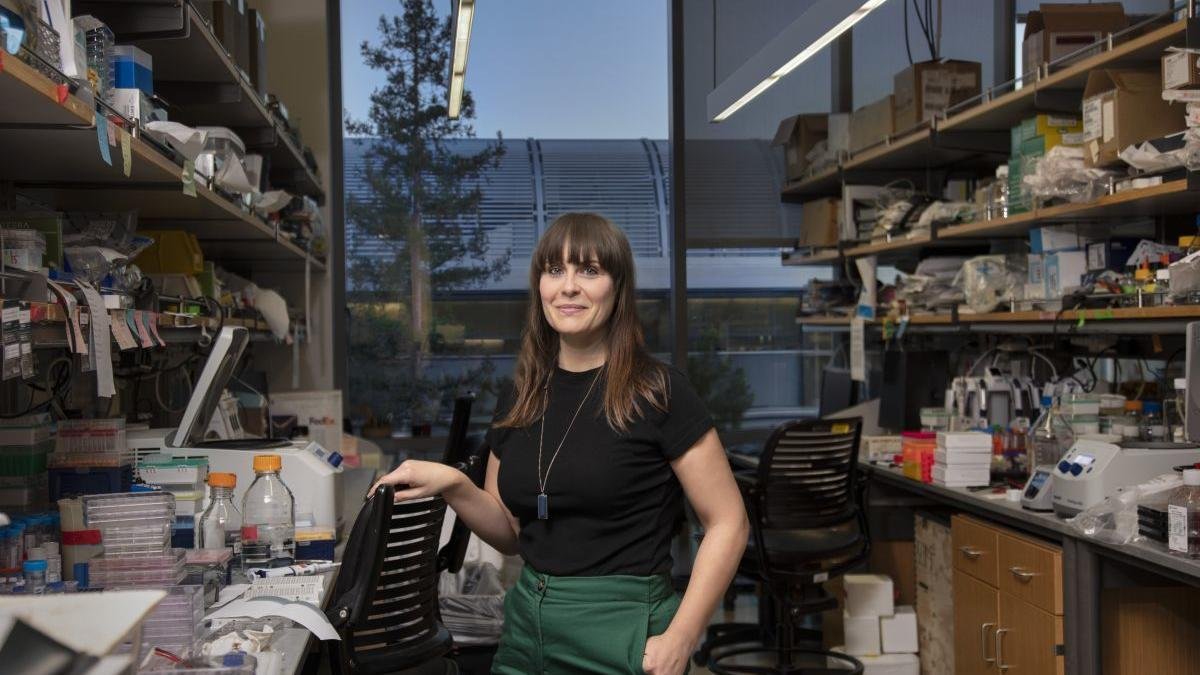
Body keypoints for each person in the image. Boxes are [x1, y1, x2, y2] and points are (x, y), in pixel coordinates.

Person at [372, 212, 749, 675]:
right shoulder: (521, 394)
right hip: (526, 625)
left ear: (618, 286)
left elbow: (728, 522)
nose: (568, 286)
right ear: (540, 287)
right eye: (555, 270)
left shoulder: (658, 390)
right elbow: (511, 535)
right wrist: (453, 484)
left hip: (623, 628)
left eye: (589, 270)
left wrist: (681, 638)